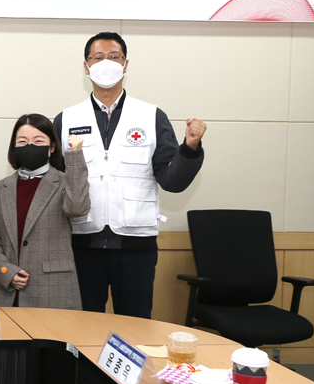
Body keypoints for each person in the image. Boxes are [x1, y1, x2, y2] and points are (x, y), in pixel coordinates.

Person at [55, 31, 206, 318]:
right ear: (86, 67)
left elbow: (172, 181)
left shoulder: (151, 116)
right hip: (82, 243)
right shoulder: (67, 118)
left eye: (114, 57)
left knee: (135, 326)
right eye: (98, 57)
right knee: (82, 326)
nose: (106, 63)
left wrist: (189, 148)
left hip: (136, 246)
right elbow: (55, 182)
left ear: (125, 65)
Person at [0, 114, 89, 308]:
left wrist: (75, 156)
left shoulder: (64, 182)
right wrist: (6, 271)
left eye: (38, 141)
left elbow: (77, 208)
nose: (30, 146)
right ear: (14, 147)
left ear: (52, 147)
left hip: (53, 291)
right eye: (22, 141)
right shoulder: (1, 188)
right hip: (6, 292)